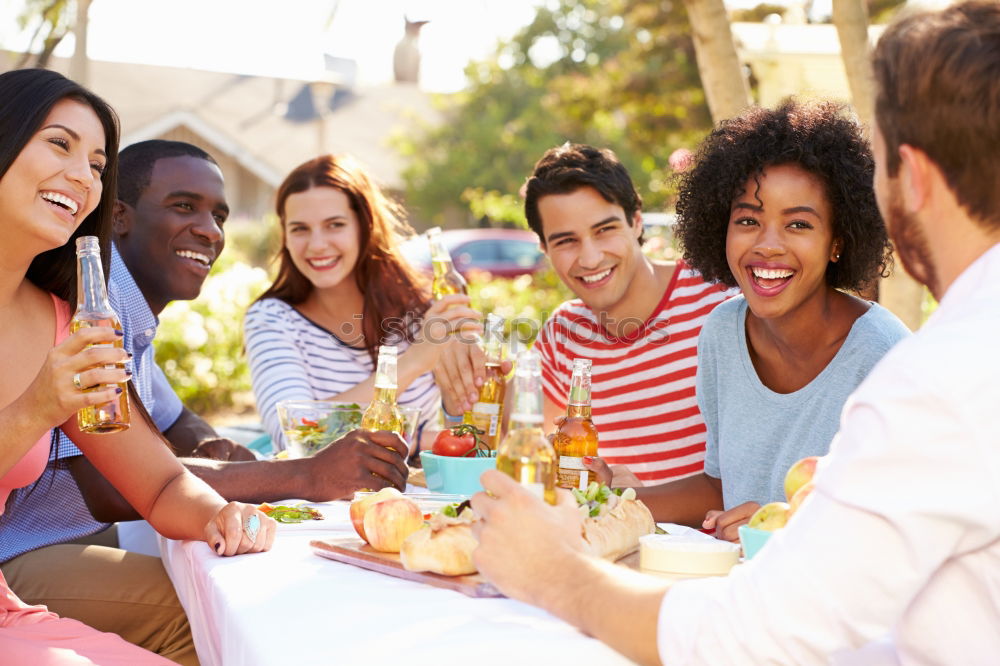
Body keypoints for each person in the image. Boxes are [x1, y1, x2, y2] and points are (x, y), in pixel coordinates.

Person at [470, 2, 1000, 663]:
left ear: (908, 178)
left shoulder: (934, 377)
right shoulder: (734, 331)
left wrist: (552, 572)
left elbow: (758, 636)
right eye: (747, 219)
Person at [2, 139, 411, 663]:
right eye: (183, 206)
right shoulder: (93, 307)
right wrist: (303, 475)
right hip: (27, 553)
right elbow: (110, 484)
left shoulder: (119, 312)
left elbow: (172, 422)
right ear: (118, 216)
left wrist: (218, 448)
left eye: (219, 215)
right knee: (240, 617)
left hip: (75, 547)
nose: (210, 230)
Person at [0, 68, 274, 664]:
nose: (82, 175)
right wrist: (33, 411)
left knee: (234, 633)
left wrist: (221, 513)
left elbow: (160, 482)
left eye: (98, 165)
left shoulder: (62, 320)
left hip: (7, 611)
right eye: (59, 143)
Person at [621, 100, 909, 539]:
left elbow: (903, 530)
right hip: (740, 593)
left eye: (798, 225)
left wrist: (782, 527)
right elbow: (721, 487)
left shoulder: (884, 358)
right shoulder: (721, 332)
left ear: (838, 242)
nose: (767, 245)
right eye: (748, 220)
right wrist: (608, 502)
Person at [435, 144, 731, 486]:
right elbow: (508, 446)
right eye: (566, 241)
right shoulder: (564, 332)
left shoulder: (717, 302)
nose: (590, 259)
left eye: (604, 230)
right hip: (614, 536)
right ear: (544, 249)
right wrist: (461, 389)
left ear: (635, 221)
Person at [245, 154, 478, 454]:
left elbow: (445, 433)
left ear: (365, 227)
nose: (316, 244)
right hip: (313, 500)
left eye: (335, 225)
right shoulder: (271, 319)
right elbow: (297, 438)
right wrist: (415, 361)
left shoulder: (421, 311)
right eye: (300, 228)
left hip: (411, 494)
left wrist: (464, 384)